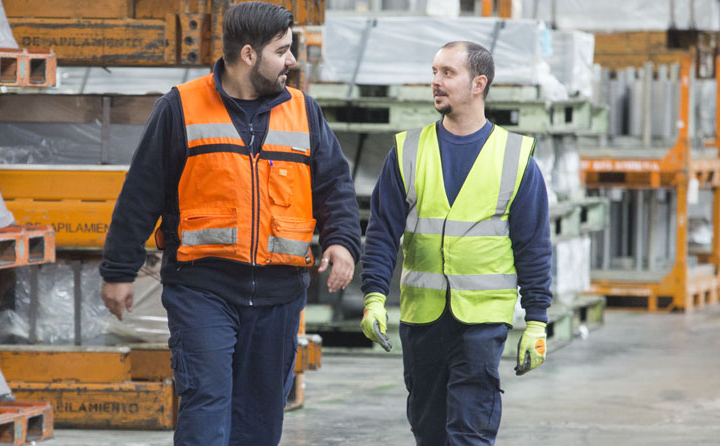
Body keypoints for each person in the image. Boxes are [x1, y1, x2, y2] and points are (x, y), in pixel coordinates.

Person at [99, 2, 362, 444]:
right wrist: (118, 272)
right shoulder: (181, 107)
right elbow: (141, 192)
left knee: (260, 420)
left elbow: (335, 183)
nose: (291, 61)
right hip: (203, 288)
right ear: (248, 55)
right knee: (206, 406)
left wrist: (342, 242)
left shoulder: (303, 111)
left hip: (279, 295)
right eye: (282, 52)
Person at [359, 41, 553, 445]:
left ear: (478, 83)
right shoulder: (406, 151)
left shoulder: (515, 158)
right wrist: (374, 296)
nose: (435, 82)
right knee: (428, 430)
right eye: (434, 72)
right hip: (422, 319)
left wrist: (536, 320)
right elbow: (381, 231)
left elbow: (533, 245)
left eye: (448, 73)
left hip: (482, 322)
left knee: (470, 430)